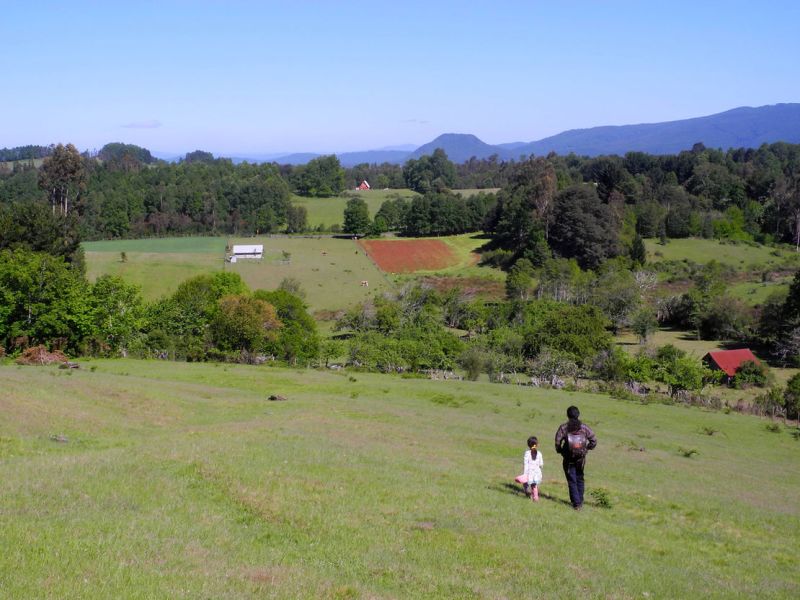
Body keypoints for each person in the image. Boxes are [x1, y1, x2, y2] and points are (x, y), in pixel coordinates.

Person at [555, 405, 597, 510]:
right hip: (581, 458)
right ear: (578, 415)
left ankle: (576, 504)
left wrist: (560, 450)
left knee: (571, 480)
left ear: (567, 415)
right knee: (580, 478)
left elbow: (557, 441)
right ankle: (580, 501)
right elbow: (594, 440)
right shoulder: (584, 427)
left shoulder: (563, 427)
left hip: (568, 458)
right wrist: (587, 448)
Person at [522, 436, 544, 502]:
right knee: (534, 486)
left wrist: (525, 473)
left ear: (528, 445)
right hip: (537, 473)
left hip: (529, 472)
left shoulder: (527, 453)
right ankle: (536, 498)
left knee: (525, 483)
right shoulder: (539, 454)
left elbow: (525, 463)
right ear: (537, 444)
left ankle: (527, 492)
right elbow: (541, 464)